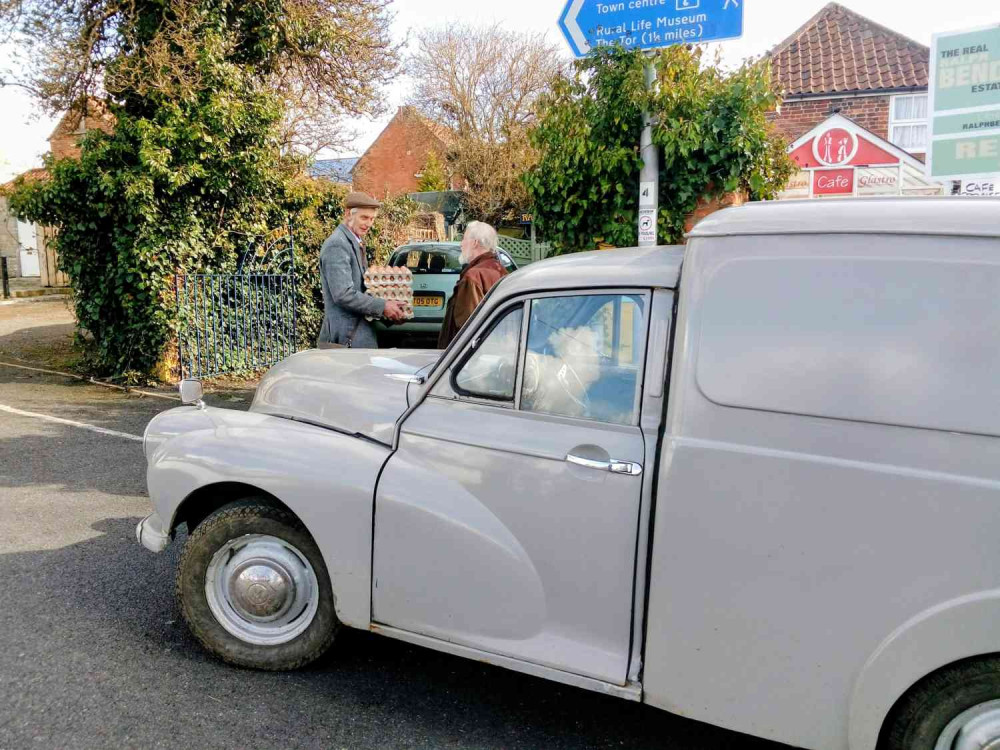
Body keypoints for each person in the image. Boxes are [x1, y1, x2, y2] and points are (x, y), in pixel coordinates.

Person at [318, 192, 406, 348]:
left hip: (357, 336)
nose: (369, 223)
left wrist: (388, 307)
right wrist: (382, 306)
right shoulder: (337, 245)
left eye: (372, 219)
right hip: (345, 338)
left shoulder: (353, 241)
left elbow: (362, 289)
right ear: (348, 214)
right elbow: (343, 294)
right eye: (364, 217)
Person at [438, 221, 508, 348]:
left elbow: (468, 328)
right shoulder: (499, 270)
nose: (461, 244)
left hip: (467, 359)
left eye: (464, 239)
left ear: (475, 242)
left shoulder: (473, 276)